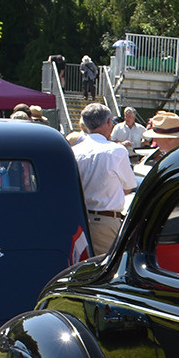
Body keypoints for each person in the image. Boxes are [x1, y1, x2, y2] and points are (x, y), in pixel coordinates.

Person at [71, 103, 133, 256]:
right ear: (109, 123)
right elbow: (129, 186)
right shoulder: (116, 151)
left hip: (80, 219)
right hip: (106, 220)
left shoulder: (74, 151)